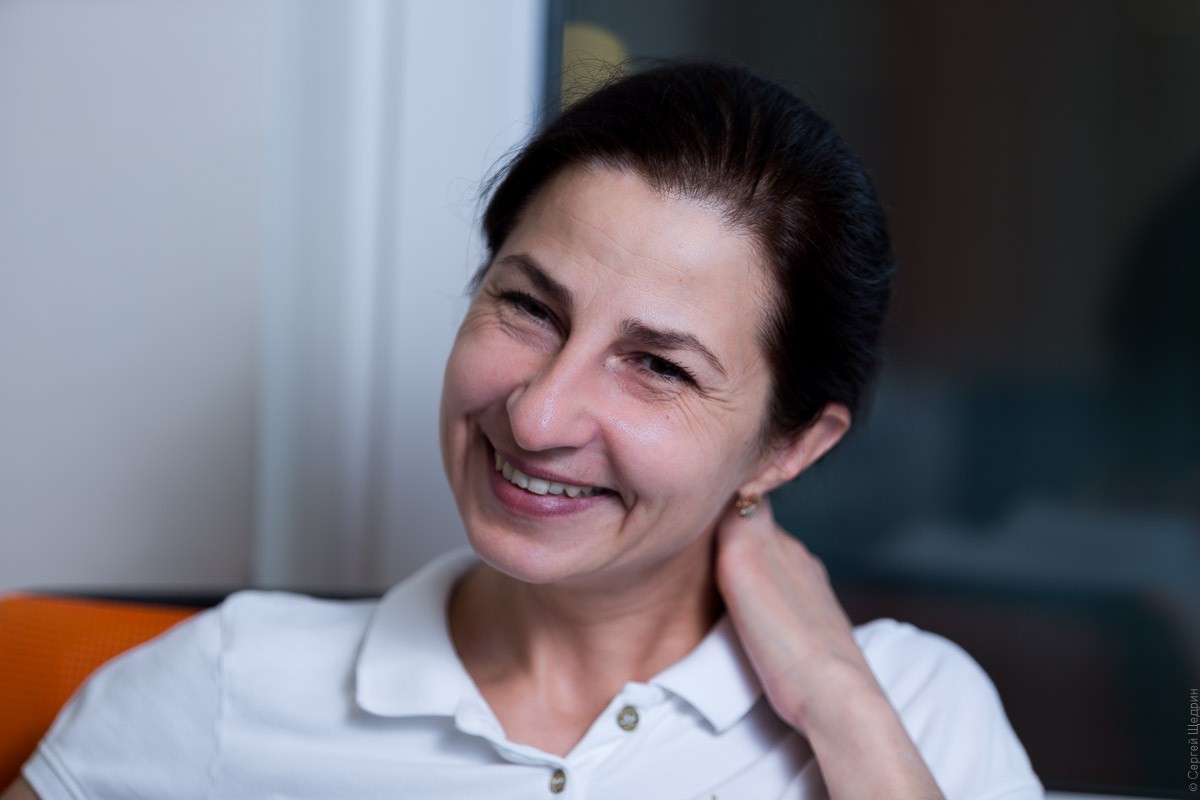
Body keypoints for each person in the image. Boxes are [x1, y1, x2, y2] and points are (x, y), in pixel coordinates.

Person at [3, 60, 1042, 799]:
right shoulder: (228, 685)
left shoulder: (908, 708)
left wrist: (832, 696)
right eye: (530, 308)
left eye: (658, 365)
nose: (537, 415)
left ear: (790, 447)